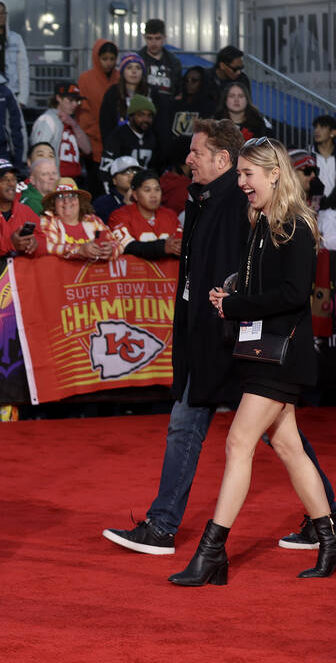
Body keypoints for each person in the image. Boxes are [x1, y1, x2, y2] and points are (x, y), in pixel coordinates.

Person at [102, 120, 335, 556]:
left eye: (197, 152)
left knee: (260, 436)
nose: (188, 159)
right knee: (276, 435)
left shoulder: (249, 207)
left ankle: (187, 536)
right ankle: (322, 522)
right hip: (217, 332)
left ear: (224, 159)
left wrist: (231, 307)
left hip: (234, 337)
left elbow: (279, 287)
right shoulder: (211, 199)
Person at [170, 138, 333, 585]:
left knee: (238, 443)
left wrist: (238, 305)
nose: (241, 183)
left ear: (274, 173)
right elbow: (263, 286)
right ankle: (330, 541)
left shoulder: (296, 224)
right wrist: (231, 295)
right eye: (239, 174)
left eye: (247, 174)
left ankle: (212, 553)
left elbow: (293, 295)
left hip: (283, 359)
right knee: (289, 447)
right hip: (264, 353)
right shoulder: (260, 221)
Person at [39, 178, 120, 262]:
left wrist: (111, 250)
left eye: (72, 196)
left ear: (79, 201)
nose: (66, 201)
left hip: (94, 273)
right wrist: (78, 250)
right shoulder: (47, 220)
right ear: (53, 203)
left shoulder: (93, 220)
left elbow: (118, 244)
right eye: (60, 197)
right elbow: (48, 247)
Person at [108, 169, 182, 260]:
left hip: (169, 273)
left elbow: (181, 245)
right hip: (135, 273)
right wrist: (162, 247)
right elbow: (127, 247)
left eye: (157, 190)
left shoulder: (170, 215)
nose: (153, 195)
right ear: (135, 195)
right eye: (147, 190)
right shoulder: (119, 215)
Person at [30, 82, 91, 184]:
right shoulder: (47, 119)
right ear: (58, 98)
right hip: (56, 180)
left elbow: (87, 149)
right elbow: (39, 153)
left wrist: (74, 125)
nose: (75, 104)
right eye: (70, 100)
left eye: (77, 101)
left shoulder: (72, 122)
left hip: (73, 180)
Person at [76, 40, 119, 165]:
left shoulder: (120, 77)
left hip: (115, 139)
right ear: (97, 58)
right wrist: (94, 132)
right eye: (104, 59)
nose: (109, 63)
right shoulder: (86, 79)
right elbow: (84, 111)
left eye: (112, 59)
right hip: (92, 139)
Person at [101, 93, 159, 174]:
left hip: (145, 184)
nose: (146, 119)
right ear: (131, 116)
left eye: (149, 116)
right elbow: (106, 168)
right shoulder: (117, 136)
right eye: (141, 115)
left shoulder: (152, 137)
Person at [199, 45, 251, 117]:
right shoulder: (205, 78)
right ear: (222, 66)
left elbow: (247, 105)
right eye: (235, 69)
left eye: (241, 68)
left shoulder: (242, 79)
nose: (239, 72)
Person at [138, 19, 182, 99]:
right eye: (150, 38)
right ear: (144, 37)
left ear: (164, 37)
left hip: (167, 108)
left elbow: (177, 91)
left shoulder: (174, 62)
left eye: (157, 38)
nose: (154, 43)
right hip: (143, 108)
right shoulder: (137, 61)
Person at [92, 155, 140, 224]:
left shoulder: (147, 199)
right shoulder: (102, 203)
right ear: (114, 180)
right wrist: (124, 205)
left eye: (135, 172)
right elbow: (103, 229)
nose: (132, 175)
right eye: (126, 172)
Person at [311, 115, 335, 204]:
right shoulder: (309, 157)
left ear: (333, 132)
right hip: (315, 211)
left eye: (322, 127)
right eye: (316, 127)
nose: (317, 130)